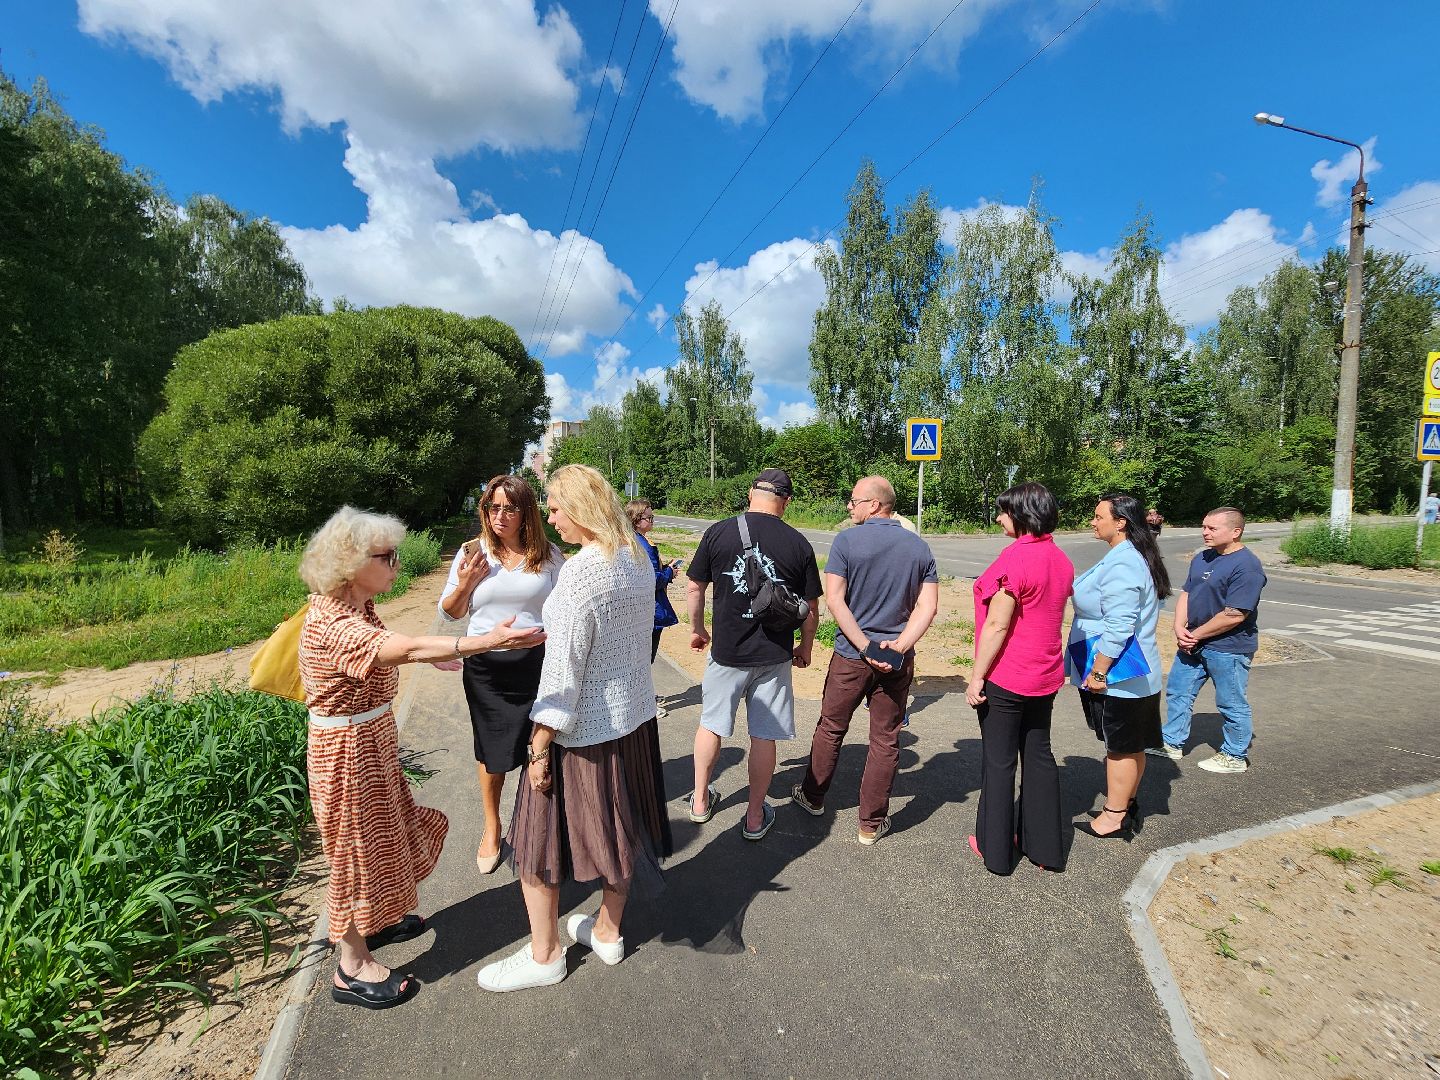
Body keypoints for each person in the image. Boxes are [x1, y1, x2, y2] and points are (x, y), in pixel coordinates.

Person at [299, 505, 541, 1010]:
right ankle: (351, 965)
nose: (396, 565)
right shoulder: (331, 621)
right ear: (349, 564)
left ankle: (376, 923)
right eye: (386, 557)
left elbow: (397, 649)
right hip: (346, 754)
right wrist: (486, 641)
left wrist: (443, 652)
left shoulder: (357, 608)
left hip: (369, 742)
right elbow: (405, 650)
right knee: (353, 855)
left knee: (385, 833)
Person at [477, 465, 671, 992]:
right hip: (632, 718)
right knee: (620, 825)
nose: (552, 517)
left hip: (582, 730)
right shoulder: (634, 557)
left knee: (535, 843)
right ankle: (607, 931)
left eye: (557, 507)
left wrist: (539, 745)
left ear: (581, 510)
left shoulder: (579, 578)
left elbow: (563, 676)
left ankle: (545, 956)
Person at [791, 476, 938, 845]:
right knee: (886, 739)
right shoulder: (919, 548)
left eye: (854, 500)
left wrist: (865, 646)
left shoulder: (845, 542)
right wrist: (899, 647)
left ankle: (812, 797)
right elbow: (928, 606)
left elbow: (835, 600)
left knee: (831, 728)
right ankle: (870, 824)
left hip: (851, 657)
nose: (848, 506)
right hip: (898, 661)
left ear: (875, 504)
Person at [685, 468, 822, 841]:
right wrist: (804, 648)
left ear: (750, 494)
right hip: (774, 654)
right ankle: (755, 816)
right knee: (763, 735)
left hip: (726, 652)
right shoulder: (798, 543)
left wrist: (698, 630)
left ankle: (699, 801)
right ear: (787, 501)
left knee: (712, 723)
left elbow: (695, 588)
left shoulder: (719, 531)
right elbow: (810, 609)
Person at [439, 475, 562, 875]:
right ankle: (492, 827)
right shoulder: (472, 553)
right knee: (491, 754)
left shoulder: (548, 555)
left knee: (538, 749)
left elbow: (568, 607)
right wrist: (466, 583)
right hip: (487, 670)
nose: (500, 515)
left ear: (527, 511)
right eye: (493, 507)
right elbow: (451, 612)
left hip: (538, 665)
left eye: (510, 507)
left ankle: (536, 827)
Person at [964, 482, 1074, 874]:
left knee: (999, 763)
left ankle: (996, 852)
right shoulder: (1060, 558)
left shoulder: (1015, 560)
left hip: (1008, 675)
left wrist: (976, 677)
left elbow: (997, 624)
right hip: (1045, 673)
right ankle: (1045, 849)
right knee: (1040, 756)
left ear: (1022, 514)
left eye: (1003, 511)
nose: (998, 518)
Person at [1069, 494, 1170, 841]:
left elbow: (1120, 624)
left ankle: (1114, 816)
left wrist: (1098, 672)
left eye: (1099, 517)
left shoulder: (1124, 562)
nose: (1093, 522)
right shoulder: (1128, 555)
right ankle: (1125, 803)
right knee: (1131, 744)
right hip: (1133, 674)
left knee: (1120, 747)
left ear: (1121, 522)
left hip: (1121, 675)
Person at [1150, 507, 1267, 774]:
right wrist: (1179, 627)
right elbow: (1187, 594)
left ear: (1236, 532)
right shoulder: (1202, 558)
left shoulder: (1247, 567)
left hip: (1228, 648)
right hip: (1193, 643)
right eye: (1204, 527)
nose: (1205, 532)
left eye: (1212, 528)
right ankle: (1171, 742)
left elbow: (1235, 614)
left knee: (1231, 701)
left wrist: (1195, 634)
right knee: (1178, 693)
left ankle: (1235, 755)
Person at [627, 498, 681, 717]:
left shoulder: (632, 540)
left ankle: (645, 696)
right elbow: (651, 579)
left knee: (641, 658)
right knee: (644, 658)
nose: (652, 520)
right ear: (636, 520)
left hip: (641, 609)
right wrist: (668, 573)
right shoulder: (641, 544)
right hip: (650, 610)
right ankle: (644, 703)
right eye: (648, 517)